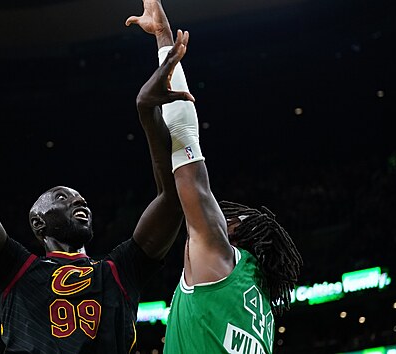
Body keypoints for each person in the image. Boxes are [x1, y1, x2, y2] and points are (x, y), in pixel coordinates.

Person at [0, 17, 187, 353]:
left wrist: (146, 110)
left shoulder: (119, 271)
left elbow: (172, 198)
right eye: (63, 197)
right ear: (38, 222)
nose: (79, 202)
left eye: (81, 198)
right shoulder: (15, 271)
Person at [127, 0, 303, 352]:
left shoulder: (221, 260)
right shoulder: (259, 306)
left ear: (236, 230)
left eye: (227, 217)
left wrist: (164, 40)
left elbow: (187, 151)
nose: (220, 215)